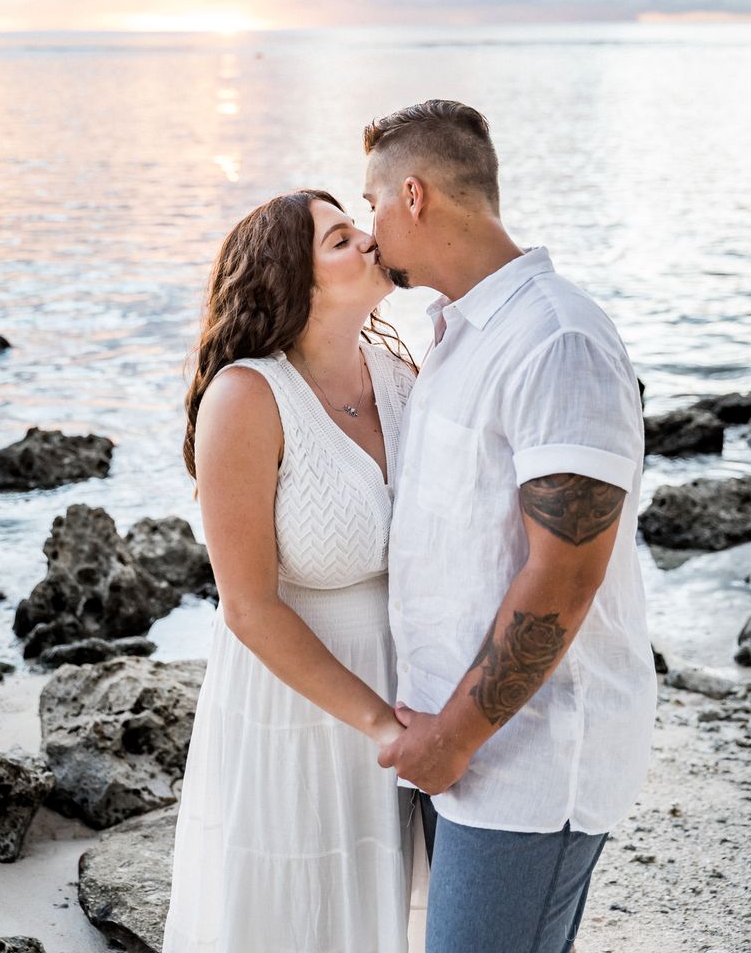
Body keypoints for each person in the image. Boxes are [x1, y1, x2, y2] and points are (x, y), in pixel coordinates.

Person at [363, 100, 657, 953]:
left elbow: (565, 572)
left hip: (525, 760)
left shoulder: (556, 338)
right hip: (458, 744)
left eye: (373, 201)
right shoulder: (457, 337)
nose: (369, 229)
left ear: (412, 196)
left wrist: (452, 739)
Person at [162, 189, 425, 953]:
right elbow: (247, 605)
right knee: (292, 915)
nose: (370, 240)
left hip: (403, 691)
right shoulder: (247, 396)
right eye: (341, 239)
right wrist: (379, 721)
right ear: (292, 283)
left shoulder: (402, 379)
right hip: (296, 709)